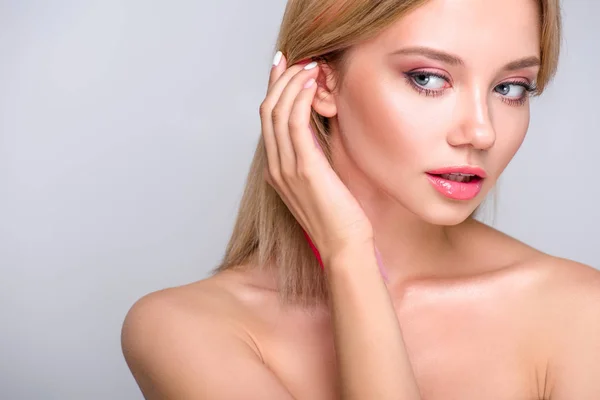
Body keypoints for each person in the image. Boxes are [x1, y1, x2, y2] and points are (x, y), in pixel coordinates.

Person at [121, 0, 600, 398]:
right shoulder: (185, 330)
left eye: (510, 88)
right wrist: (350, 255)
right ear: (321, 82)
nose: (482, 130)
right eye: (428, 78)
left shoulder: (579, 311)